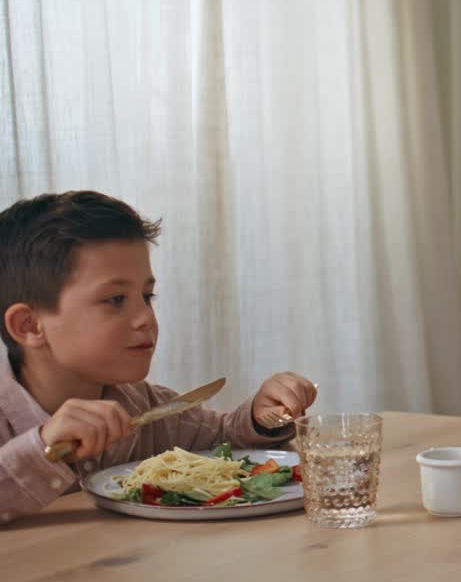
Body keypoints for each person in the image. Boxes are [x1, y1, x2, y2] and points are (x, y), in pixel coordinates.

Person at [0, 191, 317, 524]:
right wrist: (42, 450)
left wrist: (260, 417)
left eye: (147, 296)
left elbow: (225, 440)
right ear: (29, 325)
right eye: (115, 299)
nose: (145, 319)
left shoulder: (147, 408)